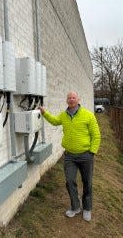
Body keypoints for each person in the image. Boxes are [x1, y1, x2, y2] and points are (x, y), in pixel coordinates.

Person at [39, 91, 101, 221]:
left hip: (86, 155)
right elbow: (55, 121)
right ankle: (75, 207)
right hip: (69, 156)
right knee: (70, 181)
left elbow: (96, 135)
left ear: (78, 99)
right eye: (69, 98)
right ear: (67, 101)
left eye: (74, 97)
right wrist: (44, 113)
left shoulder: (88, 115)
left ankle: (87, 208)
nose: (71, 99)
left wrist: (92, 152)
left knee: (87, 182)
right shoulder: (64, 115)